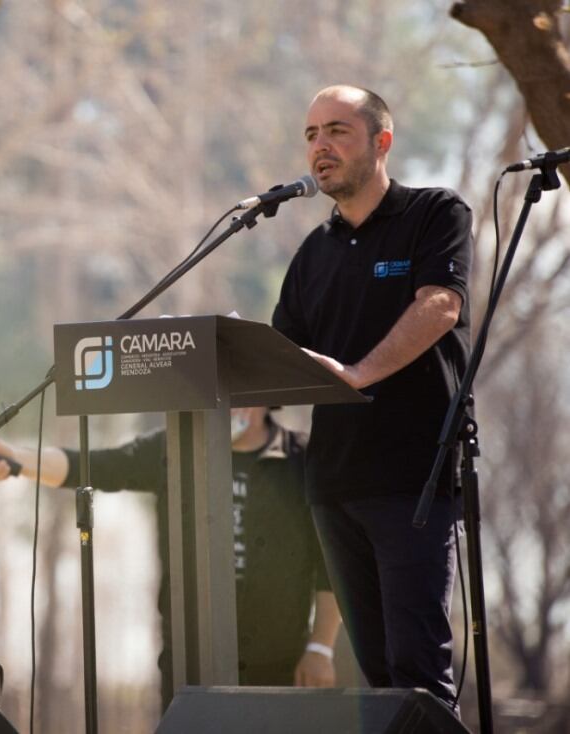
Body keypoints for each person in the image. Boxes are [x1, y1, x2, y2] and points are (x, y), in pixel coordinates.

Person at [271, 85, 472, 710]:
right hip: (332, 486)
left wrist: (360, 372)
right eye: (310, 135)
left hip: (412, 476)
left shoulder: (435, 214)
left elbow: (440, 306)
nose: (320, 147)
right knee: (378, 678)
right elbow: (283, 353)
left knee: (417, 670)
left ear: (381, 142)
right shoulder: (313, 252)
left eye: (337, 131)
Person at [0, 407, 341, 709]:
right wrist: (19, 459)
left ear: (264, 399)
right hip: (190, 662)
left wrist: (321, 648)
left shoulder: (301, 461)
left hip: (279, 663)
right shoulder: (176, 449)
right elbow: (96, 466)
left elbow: (329, 566)